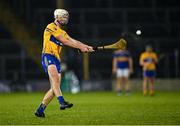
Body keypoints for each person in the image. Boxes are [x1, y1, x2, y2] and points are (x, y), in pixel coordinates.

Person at [35, 9, 94, 117]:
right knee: (56, 82)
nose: (65, 19)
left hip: (57, 59)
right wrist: (81, 47)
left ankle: (40, 110)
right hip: (48, 56)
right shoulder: (51, 27)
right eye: (63, 16)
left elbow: (73, 41)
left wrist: (86, 47)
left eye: (66, 17)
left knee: (54, 88)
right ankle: (62, 102)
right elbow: (65, 41)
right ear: (57, 17)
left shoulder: (63, 32)